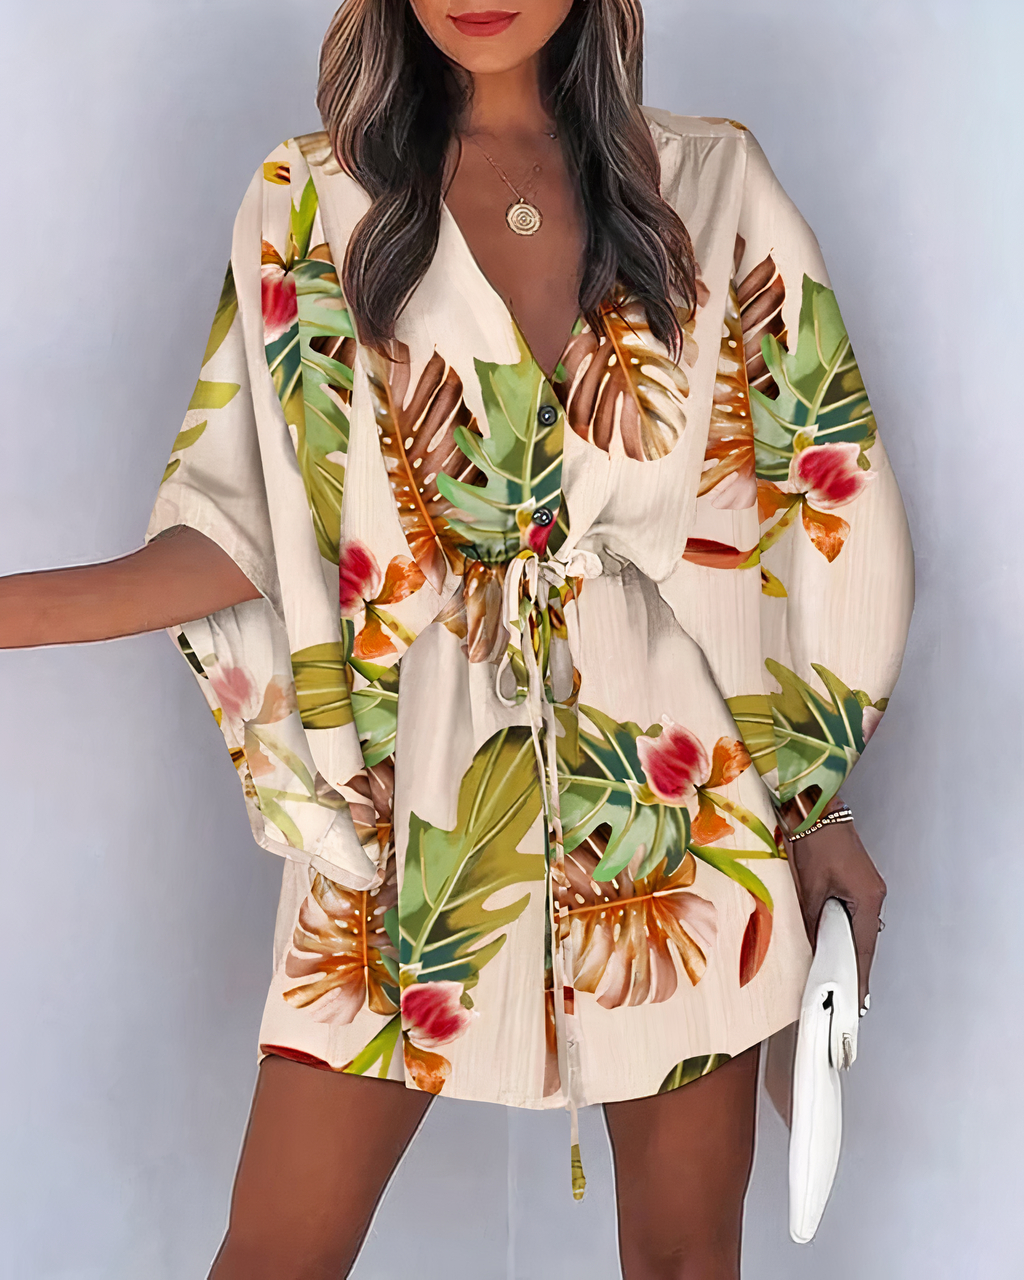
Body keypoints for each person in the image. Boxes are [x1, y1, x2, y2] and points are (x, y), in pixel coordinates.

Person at [0, 0, 914, 1275]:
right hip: (409, 806)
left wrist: (816, 803)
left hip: (676, 808)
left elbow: (811, 499)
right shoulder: (310, 200)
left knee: (685, 1256)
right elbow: (250, 524)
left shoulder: (710, 184)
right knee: (276, 1253)